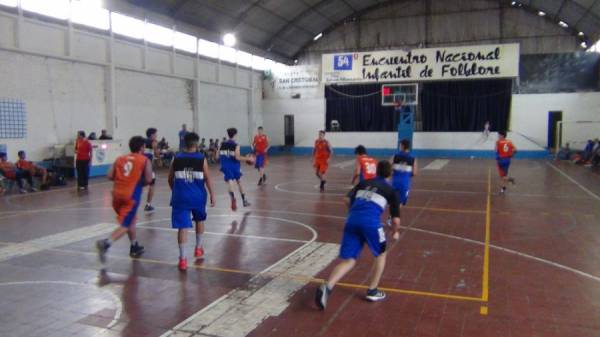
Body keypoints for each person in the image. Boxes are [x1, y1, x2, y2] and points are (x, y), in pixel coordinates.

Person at [316, 160, 401, 310]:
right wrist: (395, 231)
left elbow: (346, 199)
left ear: (376, 171)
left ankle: (327, 287)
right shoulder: (391, 191)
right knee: (381, 254)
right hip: (371, 223)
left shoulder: (363, 183)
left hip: (351, 221)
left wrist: (355, 214)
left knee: (350, 259)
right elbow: (395, 220)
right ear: (390, 174)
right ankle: (372, 291)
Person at [96, 136, 153, 264]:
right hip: (130, 196)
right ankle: (106, 243)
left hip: (116, 195)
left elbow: (109, 175)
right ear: (141, 147)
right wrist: (137, 180)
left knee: (131, 220)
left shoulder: (120, 159)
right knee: (126, 225)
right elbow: (149, 179)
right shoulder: (144, 160)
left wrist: (123, 179)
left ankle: (134, 246)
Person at [168, 132, 216, 271]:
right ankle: (198, 248)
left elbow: (170, 179)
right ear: (196, 144)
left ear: (184, 143)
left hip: (180, 197)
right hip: (198, 197)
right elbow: (207, 178)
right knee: (199, 221)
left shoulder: (176, 158)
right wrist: (212, 194)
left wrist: (176, 191)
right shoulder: (202, 158)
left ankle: (183, 259)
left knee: (182, 227)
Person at [220, 127, 254, 211]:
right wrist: (248, 159)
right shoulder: (236, 145)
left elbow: (217, 156)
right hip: (234, 165)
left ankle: (232, 198)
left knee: (230, 182)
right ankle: (244, 201)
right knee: (239, 182)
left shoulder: (222, 144)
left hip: (225, 165)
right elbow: (237, 157)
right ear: (235, 135)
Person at [391, 139, 417, 210]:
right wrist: (407, 174)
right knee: (400, 202)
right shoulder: (413, 159)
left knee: (394, 200)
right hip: (405, 183)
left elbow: (389, 170)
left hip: (395, 182)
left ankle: (391, 217)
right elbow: (414, 173)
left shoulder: (394, 156)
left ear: (402, 146)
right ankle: (393, 217)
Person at [143, 128, 160, 212]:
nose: (156, 136)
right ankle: (148, 204)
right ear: (152, 135)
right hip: (147, 167)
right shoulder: (154, 142)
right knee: (152, 185)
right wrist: (158, 153)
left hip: (139, 165)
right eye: (155, 134)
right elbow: (157, 153)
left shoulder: (142, 142)